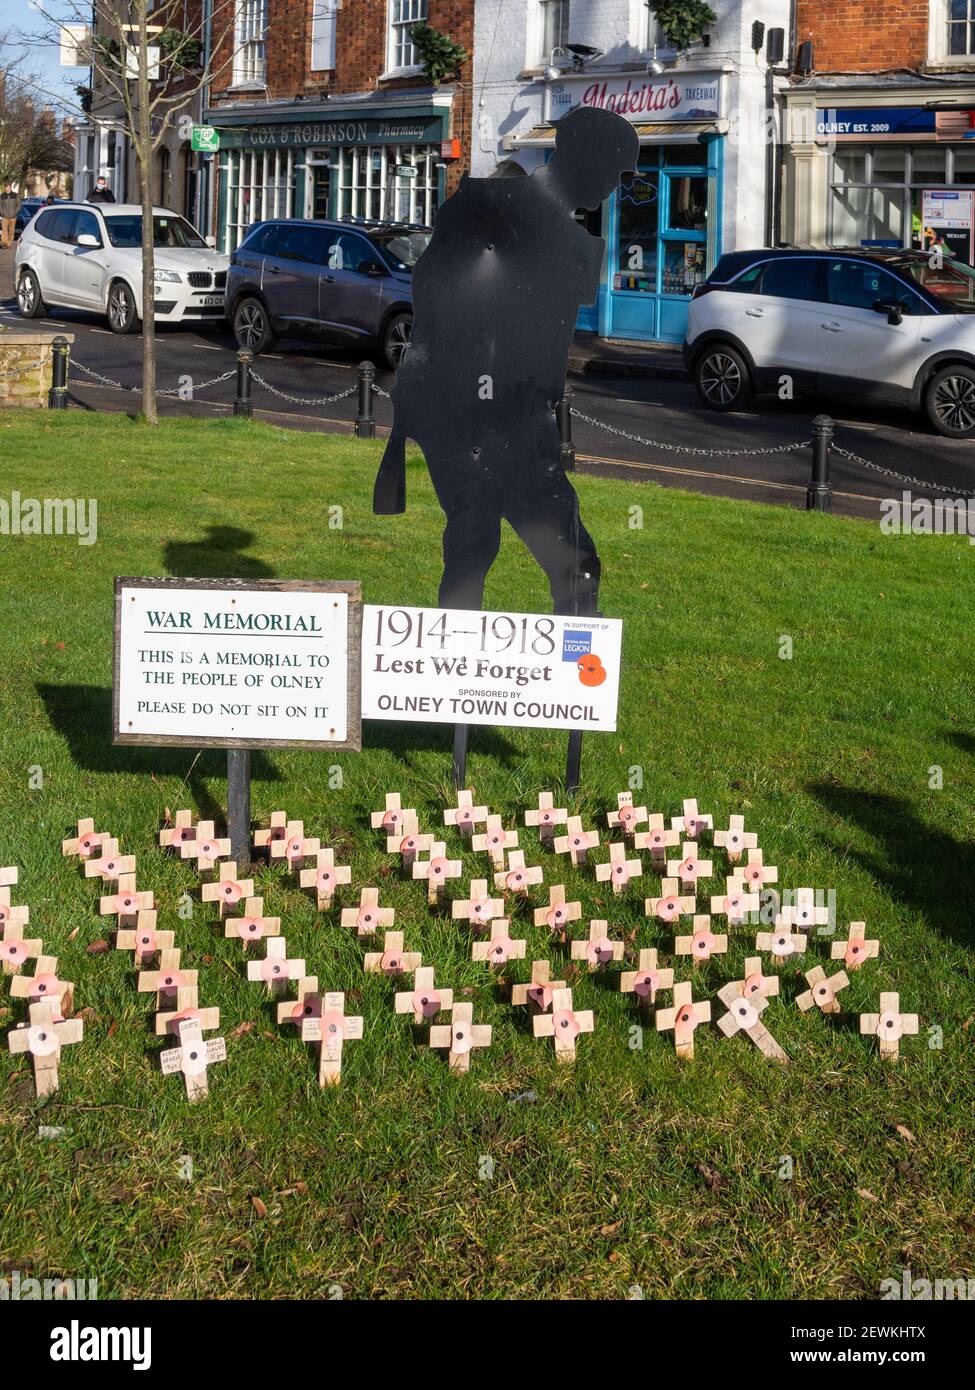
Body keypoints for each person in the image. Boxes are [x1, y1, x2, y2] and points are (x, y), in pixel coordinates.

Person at [372, 105, 639, 616]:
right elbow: (446, 303)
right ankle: (564, 675)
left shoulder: (558, 233)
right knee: (556, 557)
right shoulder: (499, 211)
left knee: (481, 548)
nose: (612, 188)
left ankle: (482, 664)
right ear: (581, 159)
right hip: (483, 416)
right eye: (610, 173)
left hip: (493, 414)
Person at [0, 183, 19, 249]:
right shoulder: (2, 195)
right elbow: (0, 205)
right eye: (6, 188)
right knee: (4, 230)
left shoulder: (15, 195)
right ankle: (4, 243)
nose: (7, 189)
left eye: (8, 188)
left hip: (13, 217)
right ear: (5, 188)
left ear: (10, 188)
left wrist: (15, 212)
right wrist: (2, 213)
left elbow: (19, 205)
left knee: (11, 231)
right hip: (5, 217)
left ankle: (9, 243)